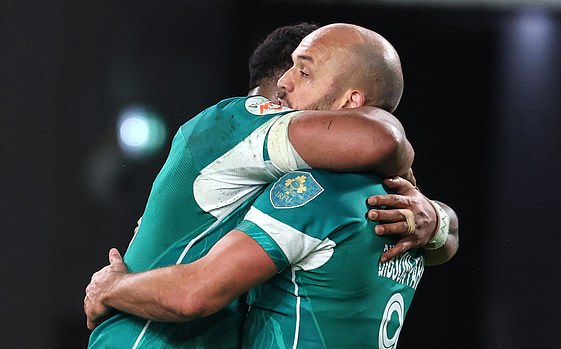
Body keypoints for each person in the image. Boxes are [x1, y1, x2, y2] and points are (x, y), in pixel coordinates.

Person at [85, 23, 458, 348]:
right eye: (290, 69)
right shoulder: (232, 121)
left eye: (305, 73)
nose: (286, 85)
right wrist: (437, 218)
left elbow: (384, 140)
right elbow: (386, 141)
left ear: (352, 101)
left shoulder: (319, 191)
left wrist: (111, 287)